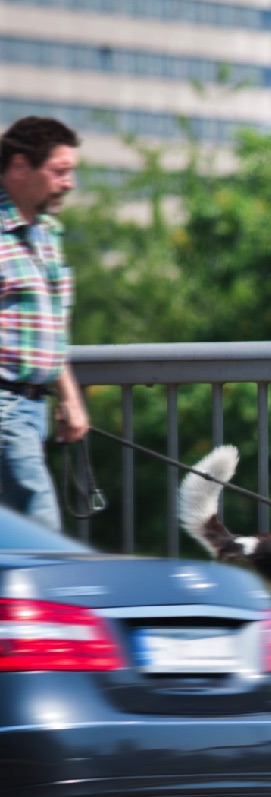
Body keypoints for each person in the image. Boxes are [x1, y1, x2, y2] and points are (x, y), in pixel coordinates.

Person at [0, 116, 90, 530]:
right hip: (6, 406)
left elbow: (51, 328)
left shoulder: (47, 233)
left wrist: (68, 397)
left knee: (18, 536)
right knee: (41, 531)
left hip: (34, 407)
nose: (68, 183)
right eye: (59, 171)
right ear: (20, 166)